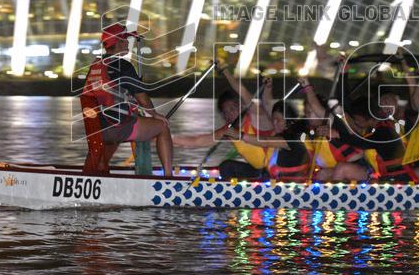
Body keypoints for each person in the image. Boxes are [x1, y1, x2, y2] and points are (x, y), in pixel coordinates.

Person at [80, 22, 173, 176]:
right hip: (118, 128)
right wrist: (155, 114)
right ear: (120, 42)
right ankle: (169, 178)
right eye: (126, 40)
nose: (129, 44)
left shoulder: (96, 65)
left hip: (97, 130)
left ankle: (100, 171)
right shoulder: (123, 65)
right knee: (162, 126)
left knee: (120, 127)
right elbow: (142, 97)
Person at [173, 68, 275, 180]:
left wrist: (225, 71)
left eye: (232, 109)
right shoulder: (228, 130)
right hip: (258, 171)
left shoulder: (257, 118)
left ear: (241, 106)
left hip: (276, 169)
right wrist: (166, 137)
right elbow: (198, 141)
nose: (229, 115)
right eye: (225, 112)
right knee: (226, 167)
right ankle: (234, 193)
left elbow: (243, 91)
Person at [230, 100, 311, 181]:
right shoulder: (277, 133)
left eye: (278, 120)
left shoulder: (294, 137)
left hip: (290, 185)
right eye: (273, 119)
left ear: (289, 120)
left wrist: (239, 135)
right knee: (228, 166)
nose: (274, 123)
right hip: (270, 176)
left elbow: (265, 141)